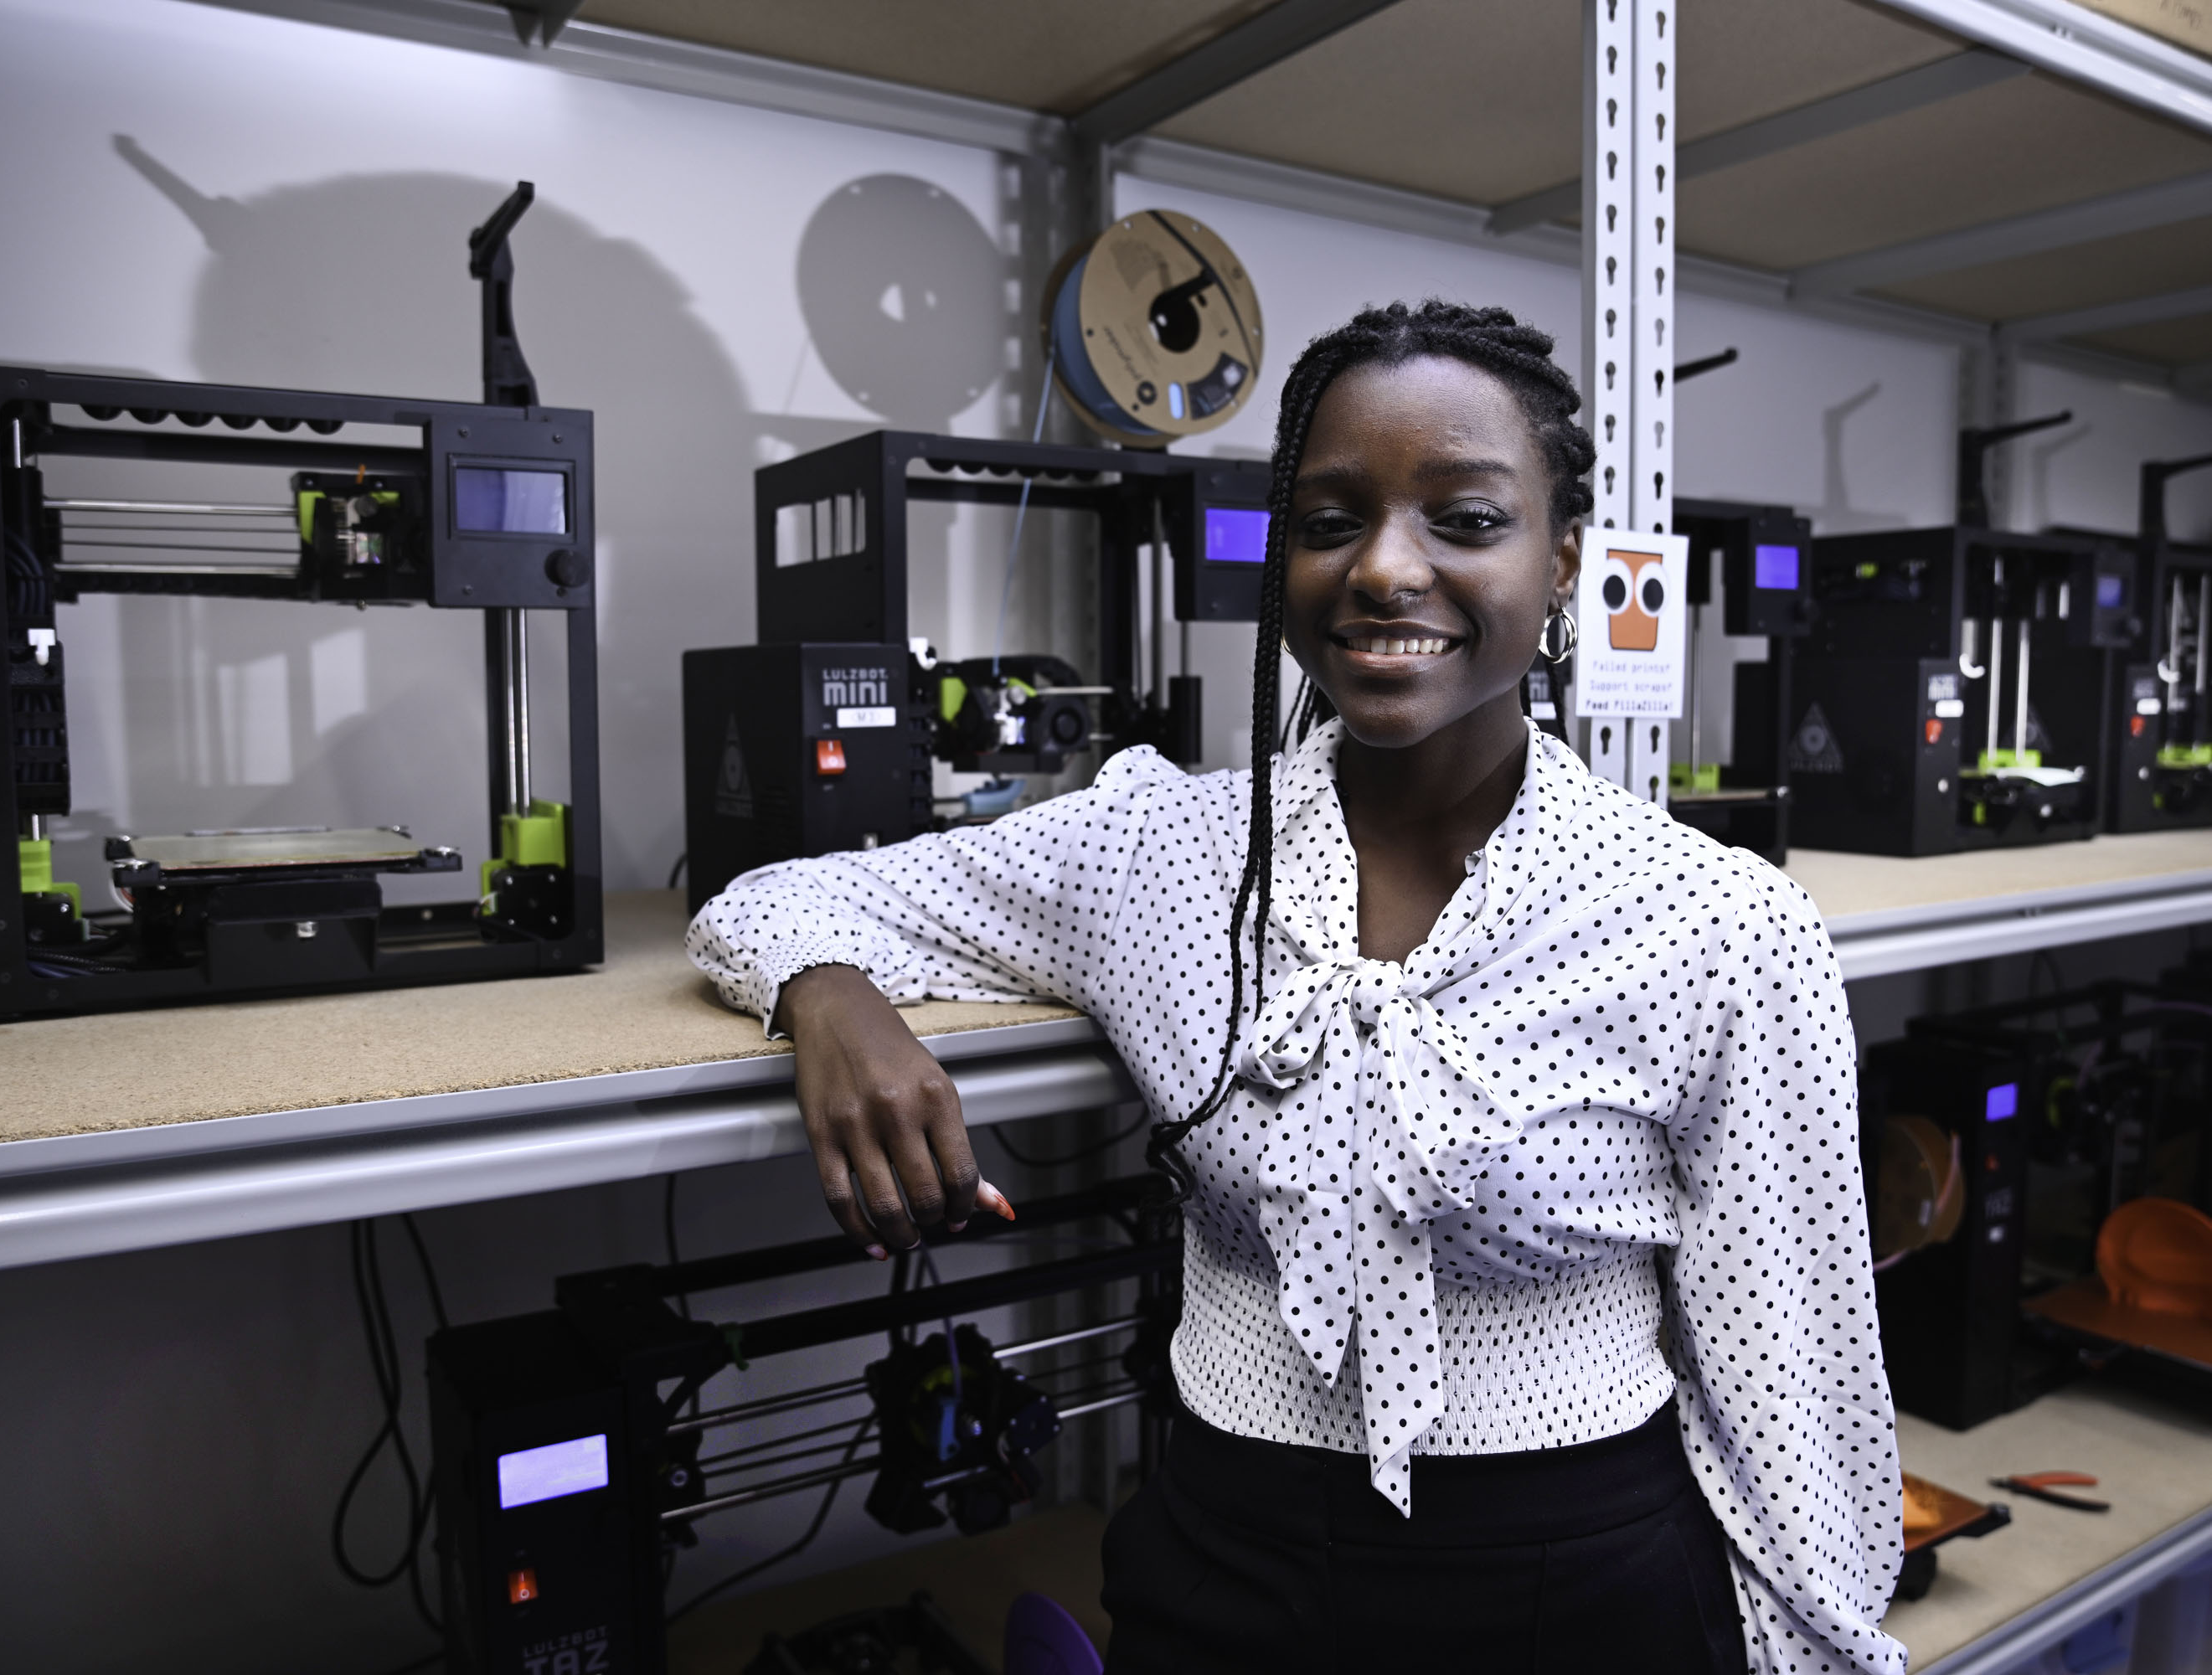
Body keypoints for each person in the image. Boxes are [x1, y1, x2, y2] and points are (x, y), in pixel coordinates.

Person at [688, 301, 1903, 1675]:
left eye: (1465, 519)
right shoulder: (1154, 851)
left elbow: (1795, 1390)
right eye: (1331, 521)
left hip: (1583, 1570)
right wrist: (834, 998)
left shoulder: (1722, 924)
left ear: (1562, 564)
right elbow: (776, 899)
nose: (1387, 568)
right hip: (1224, 1549)